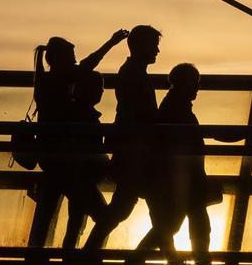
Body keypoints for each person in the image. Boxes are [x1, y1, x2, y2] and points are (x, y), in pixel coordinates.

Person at [26, 31, 128, 250]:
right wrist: (111, 42)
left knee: (48, 212)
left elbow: (84, 66)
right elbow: (88, 64)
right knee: (99, 215)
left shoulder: (46, 82)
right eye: (71, 58)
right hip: (63, 159)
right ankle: (82, 255)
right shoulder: (60, 82)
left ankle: (38, 254)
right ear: (60, 60)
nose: (75, 62)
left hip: (52, 158)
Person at [83, 25, 162, 251]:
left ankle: (90, 251)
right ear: (140, 46)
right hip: (134, 152)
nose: (157, 51)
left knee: (124, 208)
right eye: (154, 46)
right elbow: (143, 114)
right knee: (128, 208)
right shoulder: (134, 74)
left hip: (133, 151)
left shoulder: (131, 71)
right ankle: (92, 252)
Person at [130, 63, 214, 265]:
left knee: (174, 226)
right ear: (184, 84)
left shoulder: (173, 106)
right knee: (177, 226)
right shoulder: (177, 110)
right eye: (195, 83)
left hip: (180, 179)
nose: (197, 88)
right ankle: (137, 259)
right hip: (180, 180)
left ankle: (141, 259)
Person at [61, 70, 110, 249]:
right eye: (98, 87)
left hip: (76, 179)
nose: (101, 92)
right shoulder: (85, 116)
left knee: (75, 223)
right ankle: (90, 256)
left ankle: (73, 258)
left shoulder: (74, 112)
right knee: (105, 220)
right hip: (82, 180)